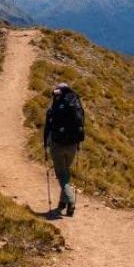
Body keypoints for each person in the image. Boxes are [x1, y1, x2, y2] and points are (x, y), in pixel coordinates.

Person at [43, 82, 85, 217]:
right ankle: (62, 203)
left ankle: (71, 202)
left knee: (62, 175)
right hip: (73, 145)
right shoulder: (76, 105)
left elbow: (47, 128)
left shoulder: (53, 109)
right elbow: (81, 124)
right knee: (66, 173)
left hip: (57, 144)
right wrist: (77, 144)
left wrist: (45, 144)